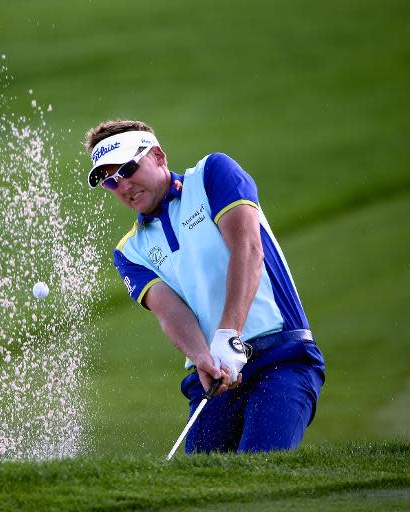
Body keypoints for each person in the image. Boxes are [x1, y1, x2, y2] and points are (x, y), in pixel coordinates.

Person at [85, 119, 325, 453]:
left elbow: (248, 249)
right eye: (110, 182)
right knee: (204, 483)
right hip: (212, 376)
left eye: (128, 169)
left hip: (282, 357)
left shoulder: (212, 175)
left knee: (259, 472)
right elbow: (169, 310)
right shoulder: (129, 251)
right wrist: (202, 356)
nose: (123, 186)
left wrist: (230, 334)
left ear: (157, 155)